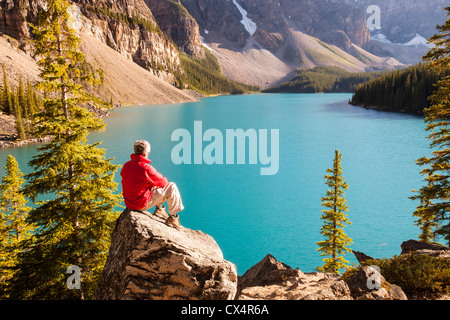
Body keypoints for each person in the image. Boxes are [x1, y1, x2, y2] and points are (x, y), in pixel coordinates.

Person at [121, 140, 184, 229]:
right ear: (147, 153)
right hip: (140, 204)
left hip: (129, 202)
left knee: (152, 183)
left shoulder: (126, 165)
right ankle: (173, 218)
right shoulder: (145, 168)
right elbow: (164, 182)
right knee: (171, 186)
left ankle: (160, 209)